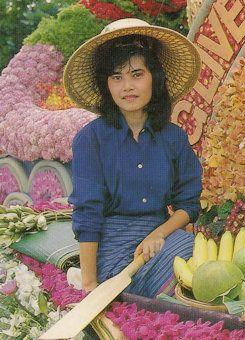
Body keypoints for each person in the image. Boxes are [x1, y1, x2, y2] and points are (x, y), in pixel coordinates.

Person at [64, 18, 202, 298]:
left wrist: (159, 233)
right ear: (107, 85)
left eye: (137, 74)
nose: (127, 86)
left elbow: (188, 204)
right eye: (117, 77)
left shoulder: (173, 138)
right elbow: (88, 214)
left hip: (160, 244)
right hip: (111, 250)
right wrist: (90, 285)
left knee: (190, 246)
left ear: (155, 78)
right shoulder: (91, 139)